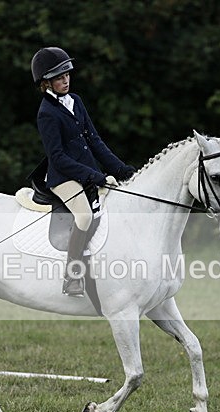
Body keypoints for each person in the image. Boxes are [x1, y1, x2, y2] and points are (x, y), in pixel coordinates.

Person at [31, 46, 135, 297]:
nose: (65, 80)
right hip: (63, 178)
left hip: (87, 172)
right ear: (46, 83)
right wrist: (94, 176)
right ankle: (72, 277)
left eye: (67, 74)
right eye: (59, 77)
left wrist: (120, 169)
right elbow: (58, 157)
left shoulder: (76, 101)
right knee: (85, 217)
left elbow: (95, 141)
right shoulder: (46, 113)